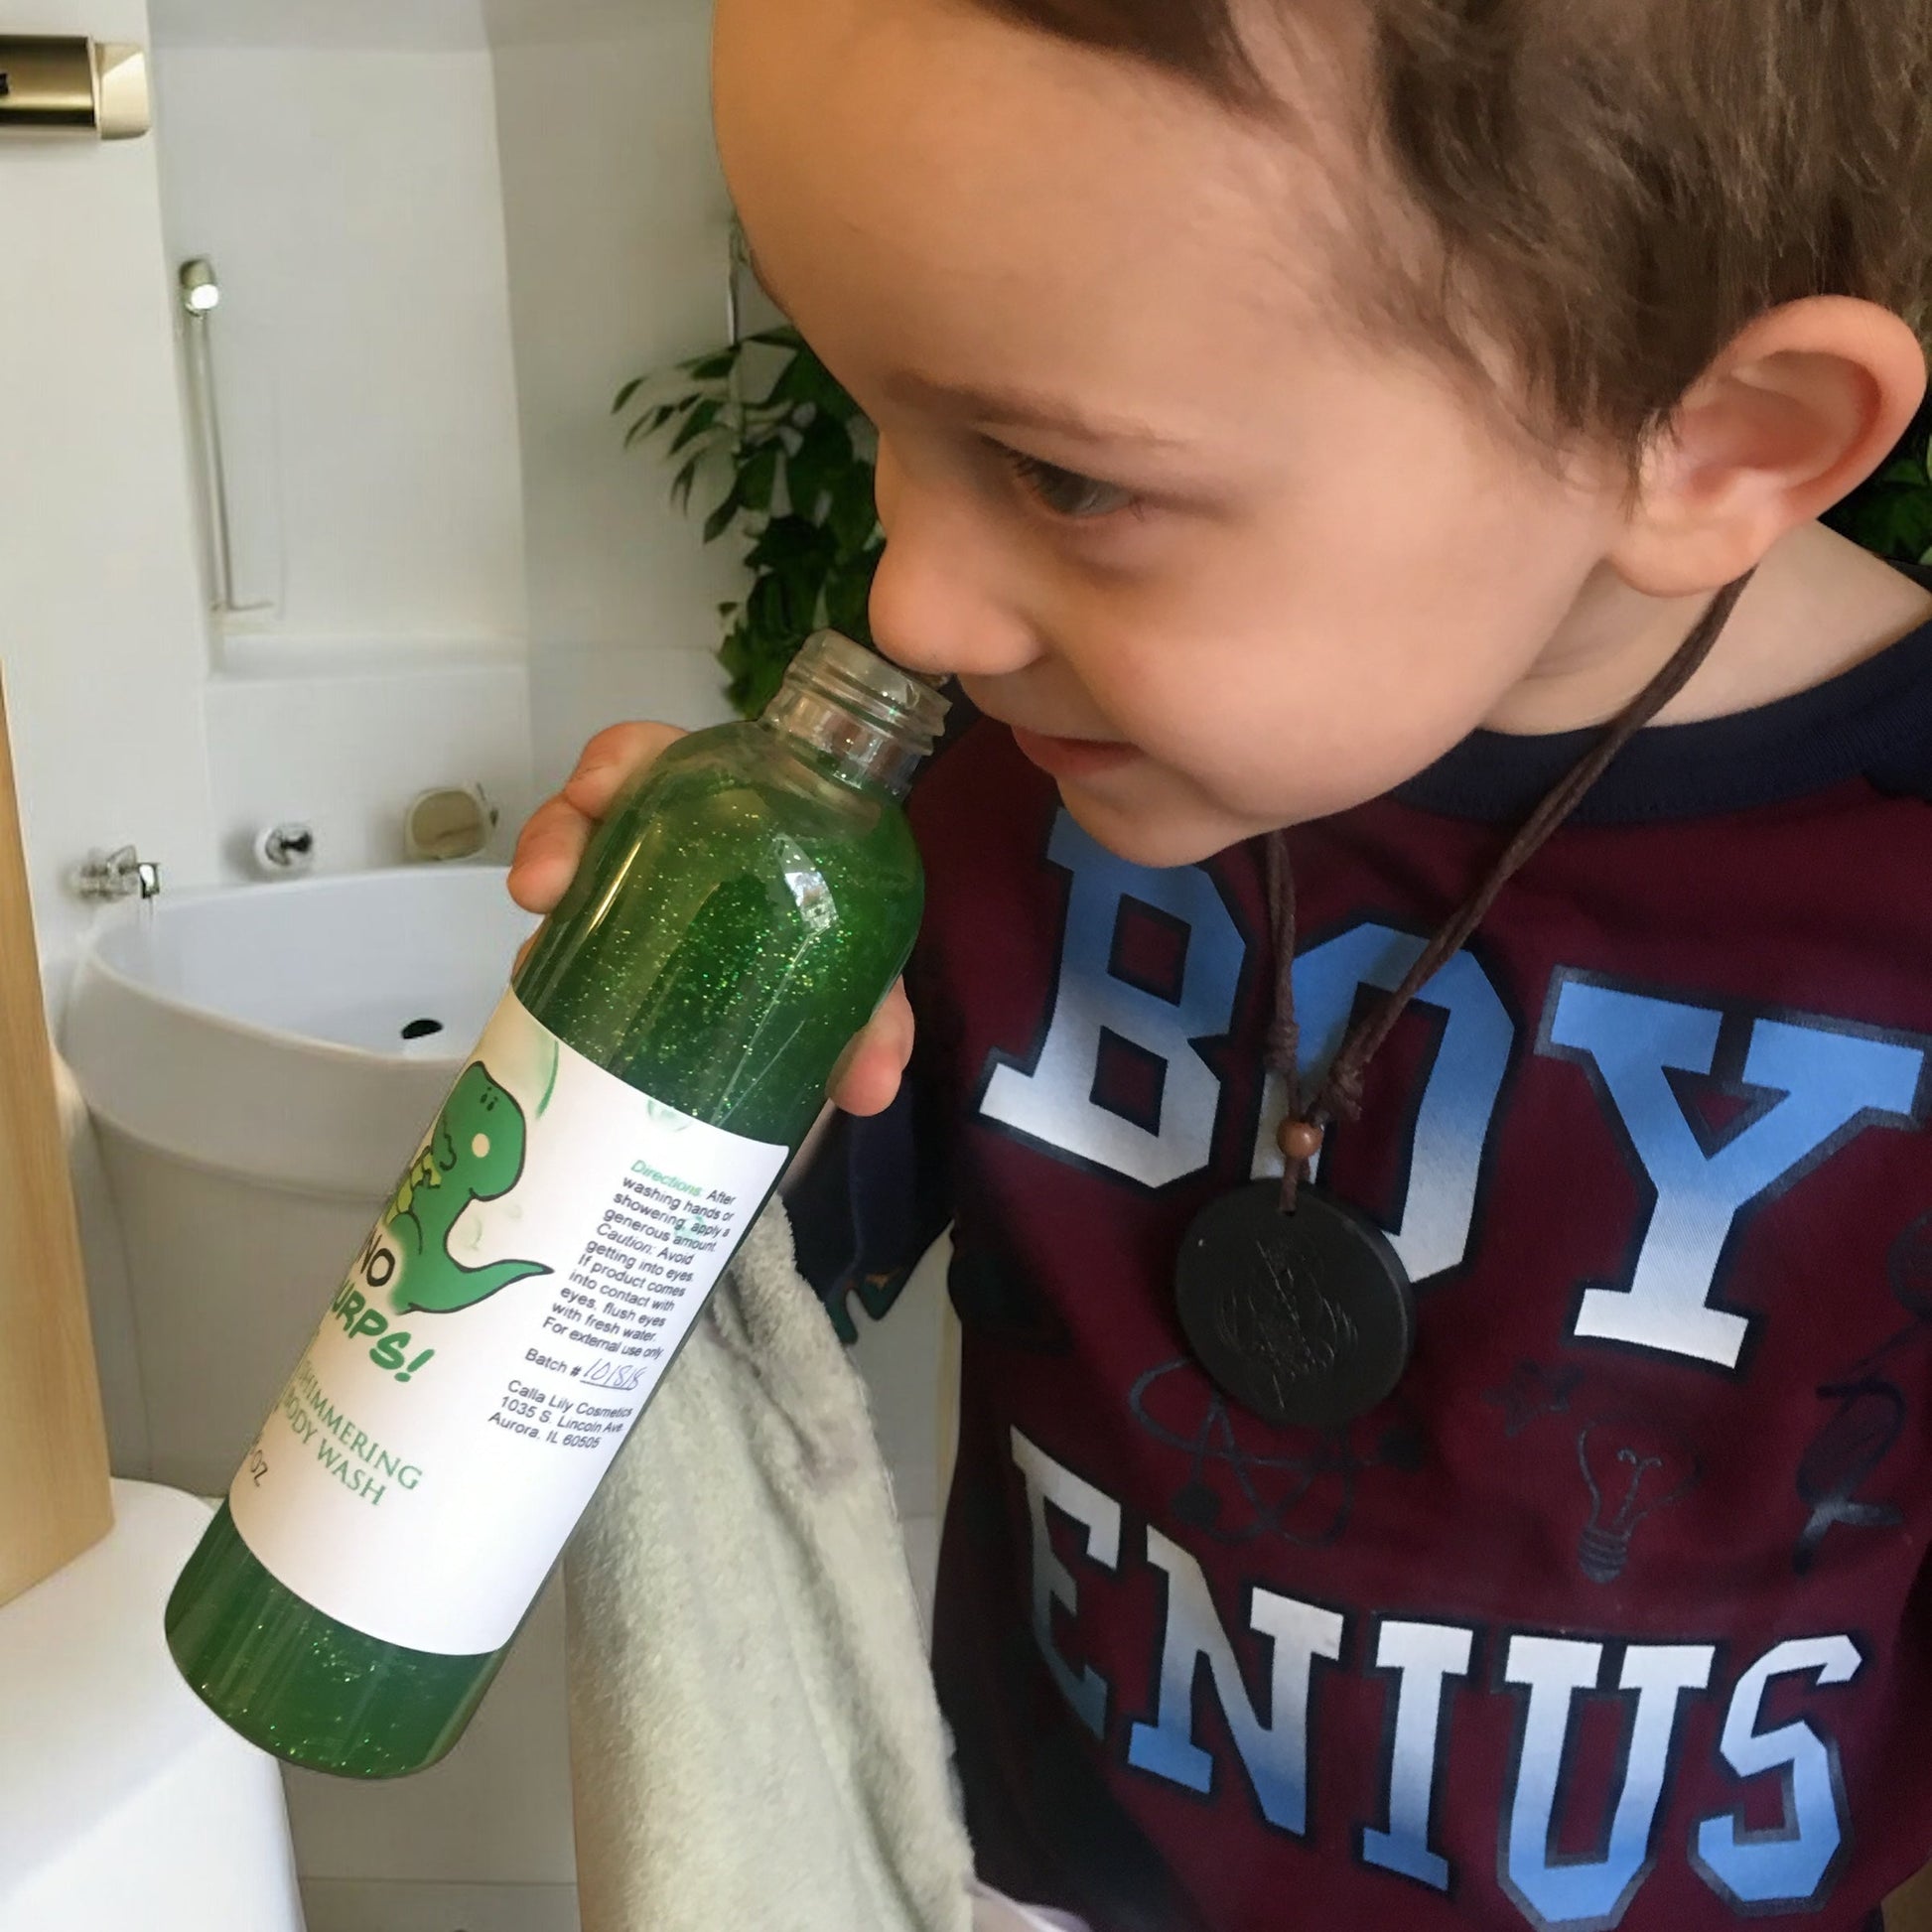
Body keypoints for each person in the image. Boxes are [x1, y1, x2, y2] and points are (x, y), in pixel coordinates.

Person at [510, 1, 1932, 1925]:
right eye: (873, 414)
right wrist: (659, 1056)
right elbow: (693, 1337)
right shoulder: (1007, 775)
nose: (906, 598)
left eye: (1067, 476)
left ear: (1710, 438)